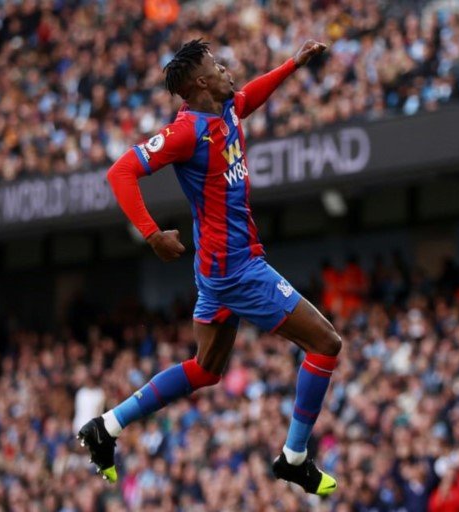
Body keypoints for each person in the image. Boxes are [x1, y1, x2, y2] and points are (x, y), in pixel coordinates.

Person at [78, 38, 341, 496]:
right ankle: (295, 458)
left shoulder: (225, 110)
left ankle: (108, 425)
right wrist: (151, 232)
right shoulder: (185, 132)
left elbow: (250, 98)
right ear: (200, 82)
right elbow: (120, 172)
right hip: (237, 269)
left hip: (216, 267)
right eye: (217, 65)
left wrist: (292, 64)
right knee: (325, 343)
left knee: (205, 369)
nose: (226, 69)